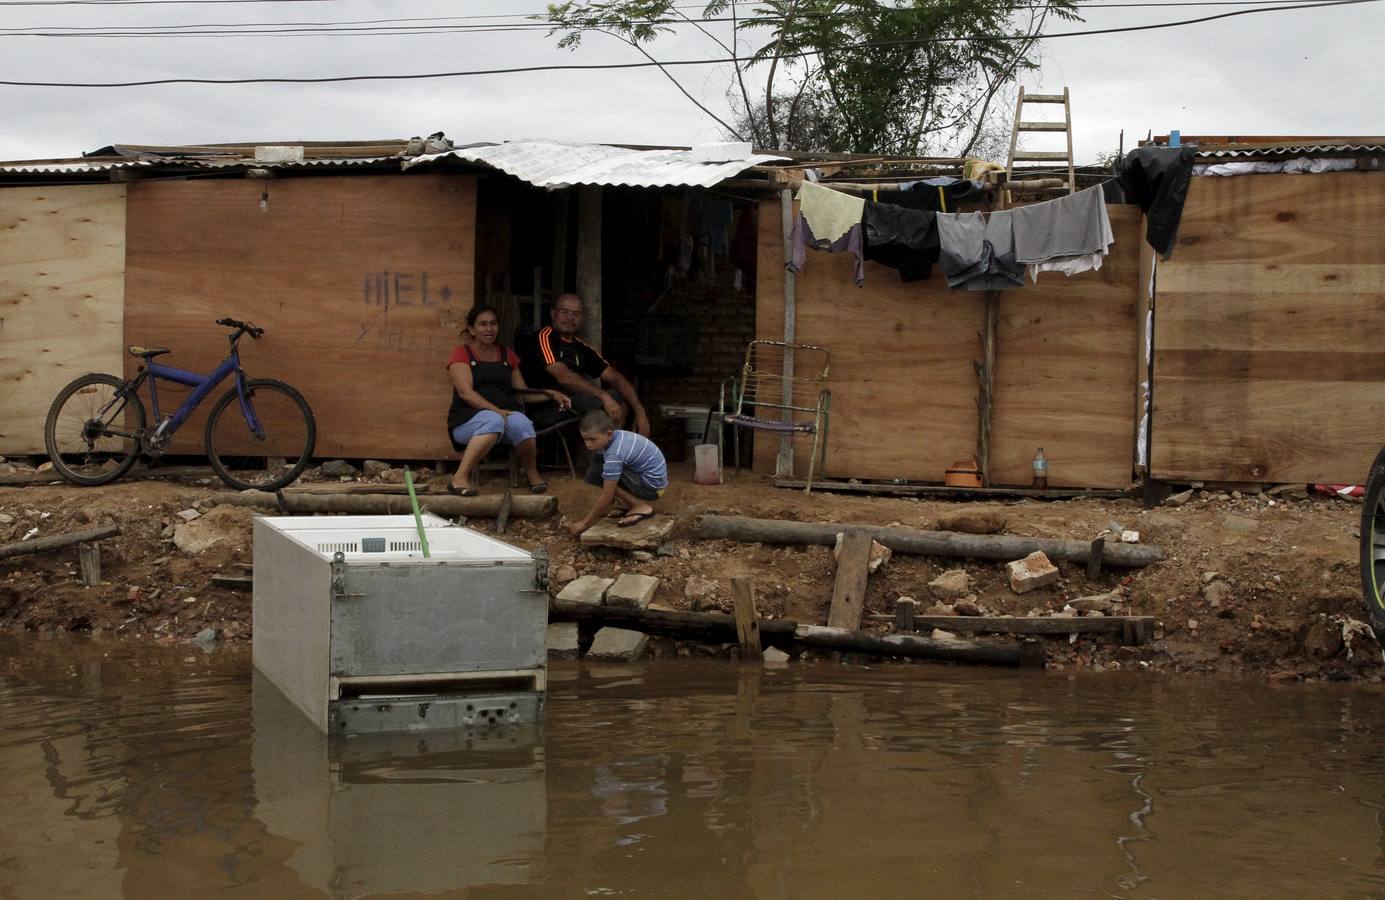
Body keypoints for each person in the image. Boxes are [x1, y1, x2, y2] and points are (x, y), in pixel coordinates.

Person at [445, 304, 571, 496]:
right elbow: (466, 394)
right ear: (471, 329)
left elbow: (521, 393)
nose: (489, 329)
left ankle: (532, 474)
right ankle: (459, 478)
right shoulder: (461, 353)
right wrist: (496, 411)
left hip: (504, 417)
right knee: (493, 420)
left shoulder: (506, 354)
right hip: (467, 420)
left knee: (522, 422)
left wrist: (550, 393)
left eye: (493, 324)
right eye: (483, 324)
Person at [520, 292, 652, 436]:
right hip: (544, 407)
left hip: (573, 405)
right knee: (599, 403)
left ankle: (609, 454)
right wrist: (603, 395)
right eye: (564, 312)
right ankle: (603, 454)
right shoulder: (545, 337)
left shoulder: (581, 347)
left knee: (621, 396)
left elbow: (616, 377)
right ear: (553, 314)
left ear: (581, 319)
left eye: (576, 314)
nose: (570, 318)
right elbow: (564, 377)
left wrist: (640, 411)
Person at [566, 409, 668, 534]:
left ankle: (640, 506)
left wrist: (584, 523)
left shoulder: (615, 454)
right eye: (585, 439)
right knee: (597, 461)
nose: (588, 445)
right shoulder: (618, 435)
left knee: (598, 471)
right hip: (650, 479)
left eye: (593, 439)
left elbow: (607, 496)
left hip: (652, 488)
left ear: (609, 434)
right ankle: (627, 502)